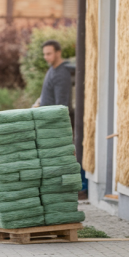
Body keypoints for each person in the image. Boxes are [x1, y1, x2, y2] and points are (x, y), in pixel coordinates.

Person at [40, 40, 87, 200]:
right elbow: (48, 94)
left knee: (68, 155)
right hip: (46, 121)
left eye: (49, 53)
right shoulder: (52, 69)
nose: (46, 57)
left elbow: (61, 103)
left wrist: (55, 127)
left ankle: (79, 188)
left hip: (56, 124)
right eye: (45, 54)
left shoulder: (61, 74)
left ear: (58, 53)